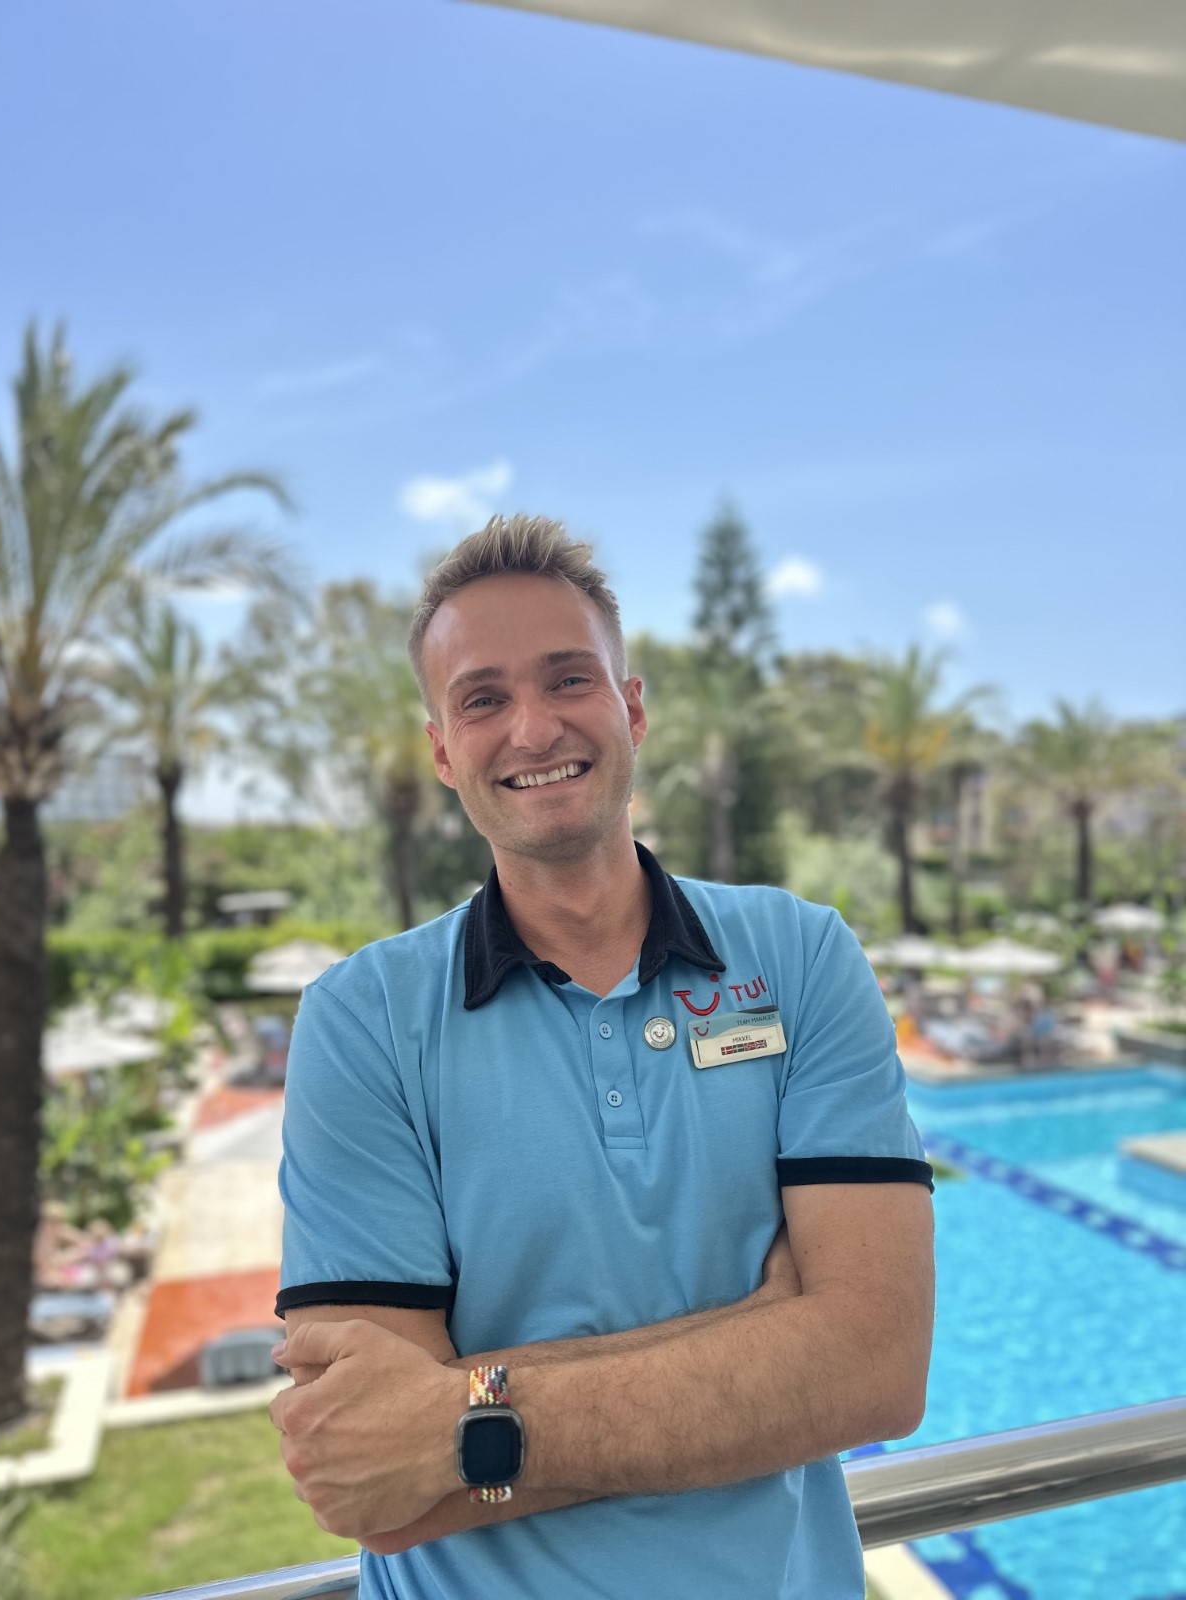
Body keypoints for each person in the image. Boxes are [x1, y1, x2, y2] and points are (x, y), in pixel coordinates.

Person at [270, 516, 935, 1600]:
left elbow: (875, 1369)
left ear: (629, 707)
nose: (533, 727)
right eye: (482, 698)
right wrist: (768, 1340)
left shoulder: (804, 957)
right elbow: (375, 1476)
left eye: (568, 679)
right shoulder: (361, 1020)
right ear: (443, 749)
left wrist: (458, 1415)